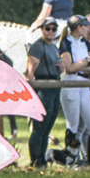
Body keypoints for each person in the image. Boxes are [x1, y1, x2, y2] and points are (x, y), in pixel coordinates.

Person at [59, 15, 90, 162]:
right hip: (71, 82)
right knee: (73, 125)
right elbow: (69, 68)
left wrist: (89, 64)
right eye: (85, 26)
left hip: (84, 82)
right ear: (78, 28)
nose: (88, 28)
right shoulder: (65, 43)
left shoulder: (84, 43)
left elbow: (89, 68)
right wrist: (87, 60)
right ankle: (70, 159)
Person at [26, 18, 63, 167]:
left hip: (54, 87)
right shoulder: (37, 46)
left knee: (48, 127)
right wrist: (32, 92)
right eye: (48, 28)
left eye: (54, 29)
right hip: (43, 87)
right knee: (40, 127)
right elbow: (30, 70)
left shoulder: (54, 47)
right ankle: (36, 160)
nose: (51, 32)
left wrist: (61, 68)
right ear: (42, 29)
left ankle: (42, 158)